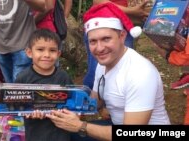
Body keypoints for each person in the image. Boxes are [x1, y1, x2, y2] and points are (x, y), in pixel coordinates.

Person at [46, 3, 170, 141]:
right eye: (93, 41)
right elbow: (95, 101)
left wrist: (80, 126)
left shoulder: (140, 73)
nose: (99, 48)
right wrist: (55, 108)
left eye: (106, 39)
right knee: (59, 132)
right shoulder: (103, 63)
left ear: (122, 36)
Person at [15, 29, 73, 141]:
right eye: (40, 49)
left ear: (58, 54)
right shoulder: (23, 78)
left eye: (52, 50)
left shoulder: (63, 77)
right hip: (35, 133)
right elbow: (17, 105)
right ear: (29, 53)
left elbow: (72, 102)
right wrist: (28, 111)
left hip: (60, 133)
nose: (46, 55)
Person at [83, 0, 150, 89]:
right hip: (102, 24)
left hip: (124, 23)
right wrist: (133, 11)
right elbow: (98, 1)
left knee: (123, 69)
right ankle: (89, 98)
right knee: (97, 71)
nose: (100, 48)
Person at [0, 0, 46, 83]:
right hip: (1, 48)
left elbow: (43, 6)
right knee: (10, 88)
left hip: (23, 47)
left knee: (19, 90)